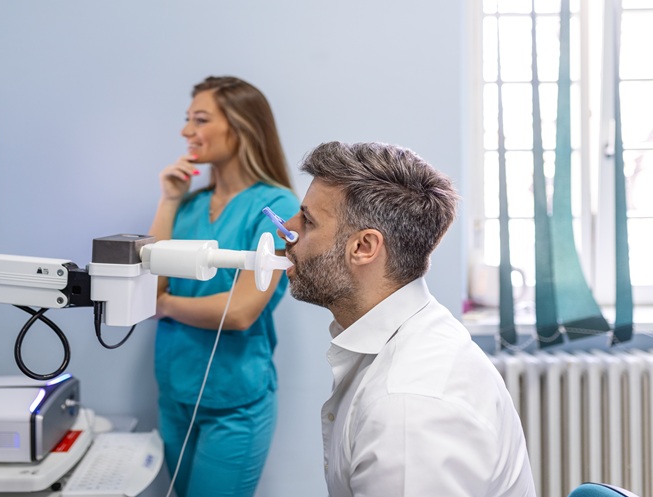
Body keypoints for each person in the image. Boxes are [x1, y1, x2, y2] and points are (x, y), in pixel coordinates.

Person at [279, 141, 536, 497]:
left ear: (364, 247)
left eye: (308, 220)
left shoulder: (408, 406)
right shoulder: (407, 334)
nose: (287, 230)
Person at [148, 76, 299, 497]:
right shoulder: (190, 204)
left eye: (200, 119)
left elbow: (240, 311)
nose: (185, 131)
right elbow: (151, 280)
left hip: (235, 404)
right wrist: (169, 200)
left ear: (241, 126)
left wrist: (164, 306)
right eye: (187, 120)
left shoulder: (278, 207)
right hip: (175, 393)